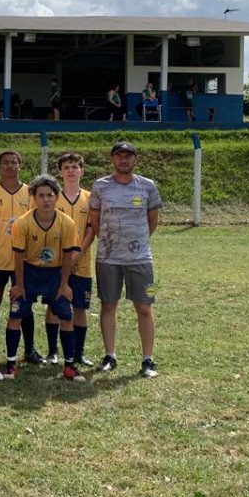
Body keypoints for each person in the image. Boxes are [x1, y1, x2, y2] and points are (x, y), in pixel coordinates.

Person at [89, 141, 162, 378]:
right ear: (112, 160)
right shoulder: (100, 186)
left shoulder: (148, 187)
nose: (124, 160)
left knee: (144, 307)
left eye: (128, 156)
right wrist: (111, 243)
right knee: (108, 305)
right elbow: (95, 220)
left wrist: (136, 242)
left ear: (135, 159)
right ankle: (110, 355)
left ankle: (148, 359)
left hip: (140, 257)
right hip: (108, 259)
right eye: (119, 156)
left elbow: (152, 221)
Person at [8, 175, 82, 381]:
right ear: (33, 197)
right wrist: (19, 285)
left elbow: (68, 255)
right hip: (29, 272)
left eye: (50, 195)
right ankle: (11, 364)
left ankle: (69, 366)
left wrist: (65, 284)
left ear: (57, 197)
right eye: (41, 195)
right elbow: (18, 256)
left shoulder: (66, 223)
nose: (46, 200)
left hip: (55, 274)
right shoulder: (22, 223)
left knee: (66, 317)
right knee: (15, 315)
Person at [0, 150, 40, 363]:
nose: (10, 166)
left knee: (24, 304)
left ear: (19, 166)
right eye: (5, 163)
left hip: (24, 260)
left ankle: (30, 349)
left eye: (14, 162)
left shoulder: (31, 194)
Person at [52, 152, 95, 368]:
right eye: (66, 167)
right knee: (54, 307)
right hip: (56, 263)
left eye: (74, 167)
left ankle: (78, 353)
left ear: (82, 170)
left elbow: (91, 229)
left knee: (80, 307)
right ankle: (53, 352)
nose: (70, 171)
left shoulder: (90, 198)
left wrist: (77, 255)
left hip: (82, 262)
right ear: (60, 172)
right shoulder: (52, 196)